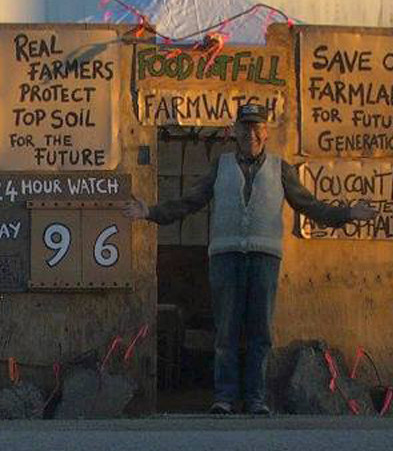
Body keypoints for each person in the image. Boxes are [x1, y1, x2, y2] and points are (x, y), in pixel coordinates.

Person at [125, 103, 376, 414]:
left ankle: (256, 398)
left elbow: (310, 206)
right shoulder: (221, 166)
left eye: (257, 128)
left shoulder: (280, 168)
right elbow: (189, 202)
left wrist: (347, 214)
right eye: (245, 128)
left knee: (260, 332)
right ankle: (225, 398)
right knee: (226, 331)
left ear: (266, 132)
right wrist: (150, 212)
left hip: (264, 258)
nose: (251, 134)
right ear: (235, 132)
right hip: (225, 257)